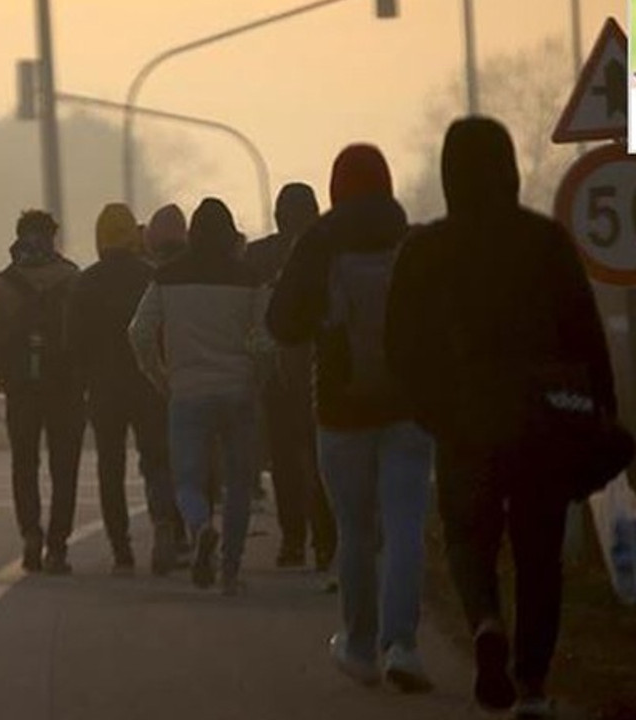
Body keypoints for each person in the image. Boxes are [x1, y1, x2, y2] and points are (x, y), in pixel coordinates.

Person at [385, 117, 615, 718]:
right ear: (509, 168)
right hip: (541, 420)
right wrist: (601, 413)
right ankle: (533, 683)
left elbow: (400, 345)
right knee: (540, 550)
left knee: (467, 534)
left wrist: (428, 409)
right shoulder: (544, 241)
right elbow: (586, 335)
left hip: (464, 421)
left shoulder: (425, 249)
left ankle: (486, 621)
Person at [267, 144, 434, 693]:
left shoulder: (318, 241)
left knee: (357, 531)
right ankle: (403, 644)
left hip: (340, 408)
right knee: (405, 525)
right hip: (409, 405)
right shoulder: (409, 237)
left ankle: (359, 646)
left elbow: (282, 323)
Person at [129, 198, 266, 594]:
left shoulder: (167, 277)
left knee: (186, 479)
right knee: (239, 482)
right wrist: (258, 378)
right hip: (238, 390)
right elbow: (264, 341)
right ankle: (230, 571)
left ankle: (201, 525)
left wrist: (158, 374)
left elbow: (138, 331)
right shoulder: (250, 277)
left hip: (186, 391)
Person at [67, 203, 180, 575]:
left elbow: (74, 342)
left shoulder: (86, 282)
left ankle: (121, 547)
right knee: (157, 459)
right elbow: (164, 333)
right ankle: (165, 523)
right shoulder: (151, 276)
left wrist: (83, 381)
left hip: (104, 389)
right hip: (148, 384)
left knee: (110, 466)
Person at [0, 210, 86, 575]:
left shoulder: (2, 285)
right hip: (66, 389)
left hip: (21, 390)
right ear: (52, 236)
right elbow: (84, 335)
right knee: (65, 468)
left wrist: (4, 377)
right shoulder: (73, 279)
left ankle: (30, 534)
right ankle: (58, 547)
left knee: (24, 465)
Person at [244, 184, 337, 571]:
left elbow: (250, 315)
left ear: (278, 215)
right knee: (320, 459)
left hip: (275, 372)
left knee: (283, 460)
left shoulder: (258, 255)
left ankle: (293, 541)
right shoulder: (329, 250)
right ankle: (325, 540)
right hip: (322, 370)